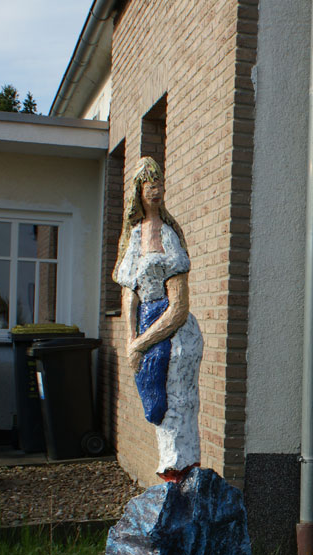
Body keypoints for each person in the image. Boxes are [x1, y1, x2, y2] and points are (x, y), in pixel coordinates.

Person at [113, 157, 204, 482]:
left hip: (173, 334)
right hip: (146, 327)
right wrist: (131, 340)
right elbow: (129, 293)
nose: (155, 190)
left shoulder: (168, 236)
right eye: (149, 185)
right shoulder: (135, 237)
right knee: (154, 404)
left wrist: (142, 342)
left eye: (159, 184)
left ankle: (181, 474)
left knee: (176, 405)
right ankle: (172, 475)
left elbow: (178, 307)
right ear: (138, 191)